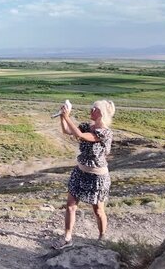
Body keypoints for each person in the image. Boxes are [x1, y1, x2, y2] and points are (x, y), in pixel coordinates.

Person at [53, 99, 115, 249]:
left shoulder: (105, 133)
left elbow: (80, 136)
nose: (91, 110)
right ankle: (67, 237)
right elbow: (67, 131)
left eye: (95, 109)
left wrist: (68, 116)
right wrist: (63, 116)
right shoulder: (88, 126)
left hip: (97, 177)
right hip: (80, 172)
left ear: (102, 114)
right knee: (70, 206)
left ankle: (102, 236)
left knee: (98, 210)